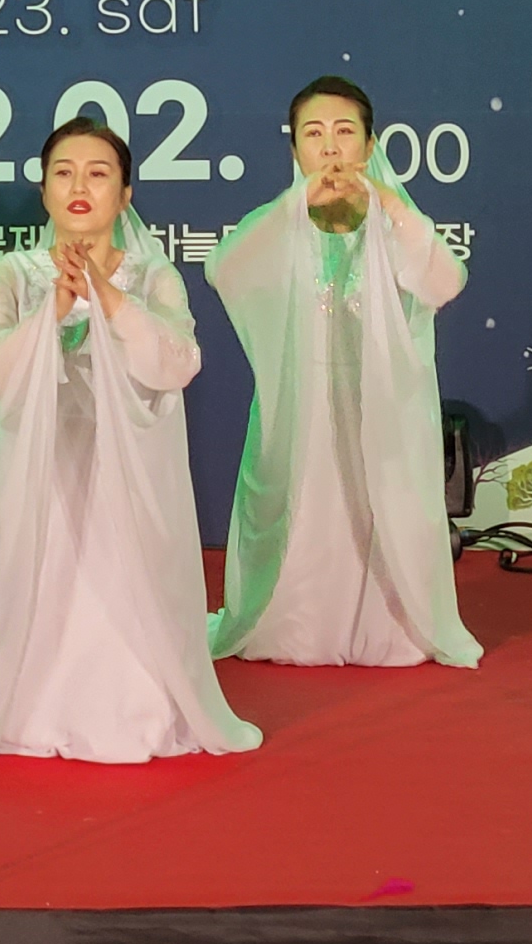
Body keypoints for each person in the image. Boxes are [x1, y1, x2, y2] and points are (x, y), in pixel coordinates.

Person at [0, 117, 258, 764]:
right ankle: (21, 707)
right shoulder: (11, 276)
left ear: (125, 195)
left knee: (123, 583)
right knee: (34, 577)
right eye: (63, 173)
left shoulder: (154, 277)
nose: (79, 187)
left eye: (98, 174)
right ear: (43, 189)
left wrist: (107, 297)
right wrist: (52, 309)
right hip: (36, 471)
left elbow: (176, 363)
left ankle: (134, 708)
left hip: (130, 477)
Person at [206, 73, 481, 669]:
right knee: (301, 508)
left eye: (344, 132)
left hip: (383, 411)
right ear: (294, 149)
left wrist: (391, 206)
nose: (330, 148)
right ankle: (291, 623)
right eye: (313, 134)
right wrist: (294, 207)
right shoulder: (280, 225)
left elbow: (446, 281)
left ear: (370, 144)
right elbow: (224, 270)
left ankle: (395, 623)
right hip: (302, 410)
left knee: (383, 505)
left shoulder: (394, 224)